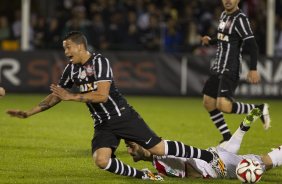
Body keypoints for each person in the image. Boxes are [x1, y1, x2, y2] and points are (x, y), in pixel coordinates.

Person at [7, 31, 227, 181]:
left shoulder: (100, 62)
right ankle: (143, 175)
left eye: (68, 48)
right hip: (102, 124)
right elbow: (55, 96)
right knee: (101, 160)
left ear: (81, 46)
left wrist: (71, 96)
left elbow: (102, 96)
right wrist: (29, 113)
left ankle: (209, 157)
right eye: (64, 49)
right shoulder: (70, 70)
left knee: (158, 149)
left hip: (122, 115)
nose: (66, 53)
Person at [126, 108, 282, 179]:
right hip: (213, 155)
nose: (129, 151)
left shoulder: (160, 154)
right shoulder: (158, 161)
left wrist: (194, 176)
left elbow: (190, 169)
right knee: (227, 149)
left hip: (215, 167)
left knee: (262, 163)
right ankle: (242, 128)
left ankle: (277, 154)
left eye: (131, 146)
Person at [200, 0, 271, 143]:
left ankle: (259, 108)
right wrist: (211, 41)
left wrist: (253, 68)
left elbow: (252, 45)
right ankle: (226, 137)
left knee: (224, 106)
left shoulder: (241, 19)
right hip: (218, 66)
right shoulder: (223, 15)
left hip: (230, 68)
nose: (228, 0)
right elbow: (223, 36)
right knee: (208, 102)